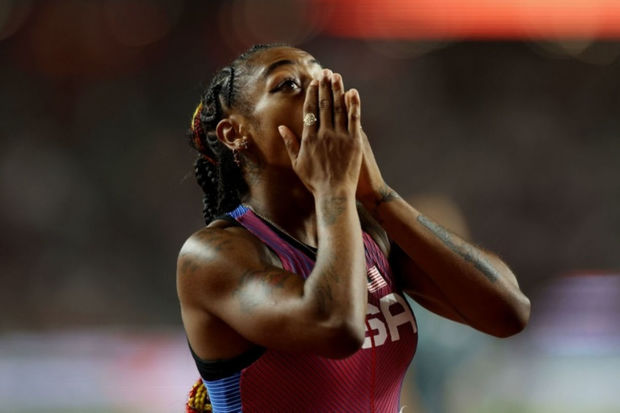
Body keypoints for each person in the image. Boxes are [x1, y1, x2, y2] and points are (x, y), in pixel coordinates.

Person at [177, 44, 531, 413]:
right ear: (234, 133)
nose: (321, 97)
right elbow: (336, 327)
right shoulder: (213, 256)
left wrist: (378, 194)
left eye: (322, 79)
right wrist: (335, 188)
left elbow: (508, 313)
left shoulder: (369, 231)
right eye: (289, 85)